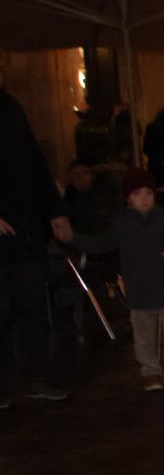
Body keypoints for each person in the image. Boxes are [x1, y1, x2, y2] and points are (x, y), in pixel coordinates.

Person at [68, 167, 164, 391]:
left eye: (148, 193)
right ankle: (151, 372)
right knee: (144, 335)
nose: (143, 199)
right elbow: (103, 243)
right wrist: (74, 239)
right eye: (137, 194)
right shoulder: (122, 222)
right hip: (139, 288)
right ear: (128, 198)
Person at [0, 87, 73, 408]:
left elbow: (34, 163)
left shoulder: (9, 105)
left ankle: (37, 377)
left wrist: (55, 211)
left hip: (27, 234)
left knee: (33, 306)